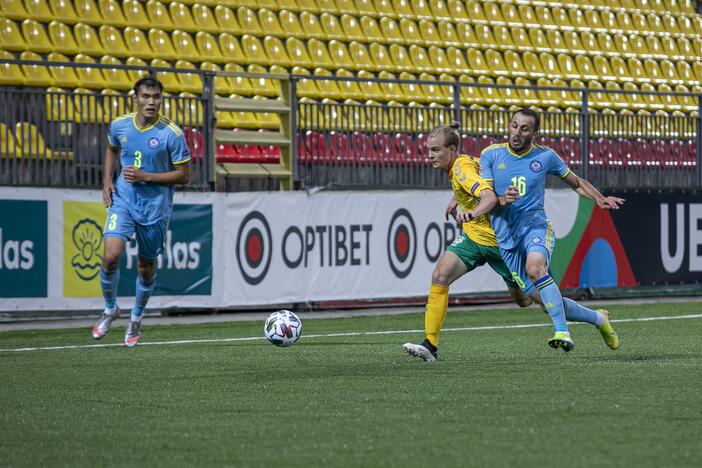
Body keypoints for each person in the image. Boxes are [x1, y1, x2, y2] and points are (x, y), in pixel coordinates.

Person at [480, 108, 624, 352]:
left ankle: (562, 331)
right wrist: (501, 199)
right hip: (506, 239)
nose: (516, 132)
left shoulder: (545, 157)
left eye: (524, 128)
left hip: (535, 227)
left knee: (535, 267)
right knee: (545, 302)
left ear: (536, 133)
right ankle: (599, 319)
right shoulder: (490, 155)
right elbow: (487, 197)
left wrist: (598, 198)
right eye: (514, 125)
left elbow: (576, 182)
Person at [403, 122, 538, 362]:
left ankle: (593, 317)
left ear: (451, 149)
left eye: (436, 150)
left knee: (530, 300)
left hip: (499, 242)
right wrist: (457, 198)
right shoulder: (464, 162)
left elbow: (487, 197)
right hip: (474, 238)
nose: (430, 156)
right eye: (428, 150)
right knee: (440, 275)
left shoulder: (461, 170)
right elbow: (482, 177)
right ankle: (430, 345)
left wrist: (472, 212)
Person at [92, 76, 191, 347]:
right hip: (124, 199)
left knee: (145, 269)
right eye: (146, 96)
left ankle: (136, 317)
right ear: (135, 97)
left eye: (156, 97)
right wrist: (107, 181)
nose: (151, 102)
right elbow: (112, 147)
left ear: (161, 99)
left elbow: (184, 176)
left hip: (155, 209)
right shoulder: (120, 125)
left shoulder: (171, 133)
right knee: (110, 256)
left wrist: (146, 175)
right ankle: (110, 309)